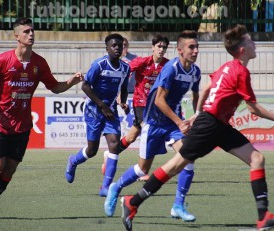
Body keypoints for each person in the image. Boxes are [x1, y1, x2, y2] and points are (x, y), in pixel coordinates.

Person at [120, 25, 274, 231]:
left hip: (217, 124)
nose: (254, 44)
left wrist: (198, 112)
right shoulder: (240, 72)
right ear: (242, 50)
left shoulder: (226, 67)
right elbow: (253, 108)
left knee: (257, 159)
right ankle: (132, 202)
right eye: (250, 41)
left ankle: (263, 216)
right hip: (210, 125)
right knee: (175, 166)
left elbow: (206, 88)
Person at [0, 18, 84, 220]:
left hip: (23, 125)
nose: (31, 34)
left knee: (9, 170)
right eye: (27, 31)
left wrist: (71, 81)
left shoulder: (39, 63)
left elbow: (55, 87)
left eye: (33, 31)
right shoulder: (2, 60)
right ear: (17, 36)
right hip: (0, 121)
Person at [104, 30, 200, 222]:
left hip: (172, 123)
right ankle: (116, 187)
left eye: (197, 47)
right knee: (142, 170)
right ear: (180, 50)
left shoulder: (195, 72)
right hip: (154, 121)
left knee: (188, 159)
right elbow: (158, 101)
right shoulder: (171, 69)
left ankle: (178, 205)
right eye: (192, 47)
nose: (196, 51)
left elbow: (196, 95)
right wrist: (180, 121)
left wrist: (194, 116)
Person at [65, 33, 131, 197]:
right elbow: (86, 86)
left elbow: (123, 87)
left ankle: (105, 187)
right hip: (94, 110)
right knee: (92, 150)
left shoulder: (126, 68)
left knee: (114, 145)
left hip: (111, 111)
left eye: (120, 45)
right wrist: (101, 105)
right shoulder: (99, 65)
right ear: (107, 48)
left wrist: (123, 102)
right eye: (113, 46)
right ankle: (73, 161)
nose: (117, 48)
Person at [102, 35, 170, 182]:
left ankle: (110, 153)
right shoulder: (142, 61)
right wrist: (120, 94)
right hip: (140, 102)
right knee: (148, 131)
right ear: (152, 47)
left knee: (132, 136)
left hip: (155, 106)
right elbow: (124, 71)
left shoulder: (168, 65)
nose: (161, 49)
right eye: (159, 46)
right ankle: (142, 170)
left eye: (164, 47)